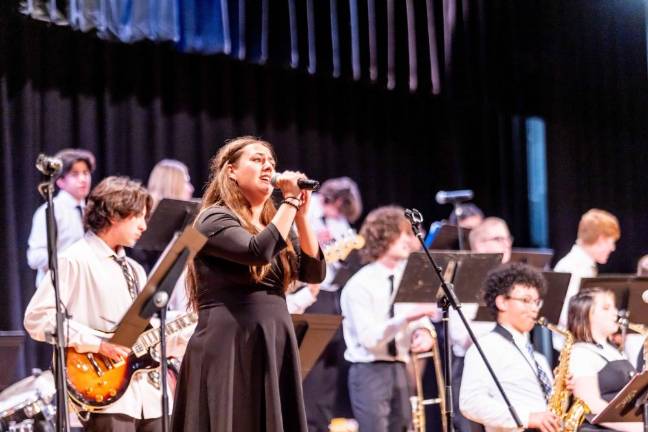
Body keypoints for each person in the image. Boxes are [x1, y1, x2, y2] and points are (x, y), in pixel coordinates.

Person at [170, 136, 326, 432]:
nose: (268, 165)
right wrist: (290, 201)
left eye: (271, 162)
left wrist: (302, 217)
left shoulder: (275, 224)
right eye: (257, 159)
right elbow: (256, 252)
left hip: (272, 339)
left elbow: (313, 272)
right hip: (230, 342)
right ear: (231, 171)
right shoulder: (213, 219)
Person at [24, 176, 181, 431]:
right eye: (138, 216)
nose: (144, 226)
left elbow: (144, 330)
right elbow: (37, 318)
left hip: (150, 395)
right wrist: (97, 344)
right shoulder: (75, 259)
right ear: (114, 215)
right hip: (106, 394)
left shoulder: (135, 269)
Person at [340, 205, 437, 432]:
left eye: (409, 234)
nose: (409, 240)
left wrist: (423, 332)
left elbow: (420, 319)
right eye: (401, 233)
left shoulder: (410, 277)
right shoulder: (361, 283)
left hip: (401, 367)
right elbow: (370, 339)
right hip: (369, 370)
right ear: (383, 236)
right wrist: (406, 318)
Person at [296, 176, 364, 432]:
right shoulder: (308, 209)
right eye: (338, 208)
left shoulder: (341, 222)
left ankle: (322, 421)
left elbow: (348, 255)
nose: (339, 215)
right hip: (309, 292)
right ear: (333, 199)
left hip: (334, 294)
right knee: (310, 363)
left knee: (330, 365)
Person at [460, 263, 559, 432]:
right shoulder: (486, 347)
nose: (534, 308)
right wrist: (526, 418)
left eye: (536, 302)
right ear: (502, 302)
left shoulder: (538, 358)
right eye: (526, 300)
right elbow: (470, 402)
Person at [448, 217, 513, 431]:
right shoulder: (464, 281)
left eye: (507, 238)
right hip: (473, 368)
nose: (506, 244)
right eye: (498, 238)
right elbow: (459, 336)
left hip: (507, 367)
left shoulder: (513, 282)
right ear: (479, 245)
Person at [567, 288, 641, 432]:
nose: (616, 313)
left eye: (614, 307)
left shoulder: (614, 350)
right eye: (606, 308)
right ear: (586, 313)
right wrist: (636, 427)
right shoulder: (581, 352)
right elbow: (590, 403)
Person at [27, 148, 96, 286]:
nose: (83, 179)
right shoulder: (50, 210)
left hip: (86, 287)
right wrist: (69, 262)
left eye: (86, 173)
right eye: (75, 174)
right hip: (58, 289)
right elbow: (34, 257)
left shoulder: (92, 211)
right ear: (60, 181)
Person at [554, 209, 620, 347]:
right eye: (611, 241)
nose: (613, 248)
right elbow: (566, 314)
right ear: (601, 239)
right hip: (573, 348)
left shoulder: (585, 265)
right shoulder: (571, 266)